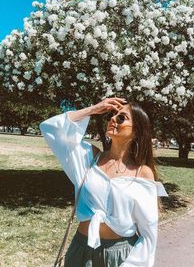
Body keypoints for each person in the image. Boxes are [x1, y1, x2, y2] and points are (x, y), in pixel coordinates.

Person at [39, 97, 168, 267]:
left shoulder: (142, 173)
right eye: (112, 116)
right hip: (81, 251)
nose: (113, 119)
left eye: (122, 118)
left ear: (136, 131)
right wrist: (93, 109)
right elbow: (51, 129)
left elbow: (148, 232)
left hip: (119, 256)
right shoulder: (89, 158)